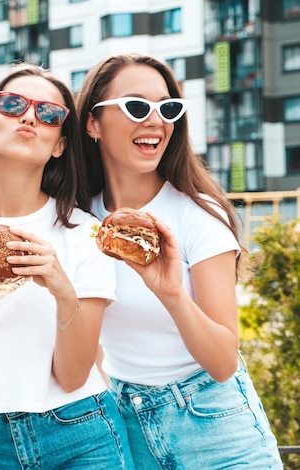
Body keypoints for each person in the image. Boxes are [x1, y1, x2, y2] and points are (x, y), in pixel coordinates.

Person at [77, 52, 283, 469]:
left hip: (216, 427)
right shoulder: (79, 220)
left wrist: (171, 293)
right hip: (127, 423)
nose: (155, 121)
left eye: (167, 108)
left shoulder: (197, 215)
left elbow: (224, 362)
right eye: (137, 106)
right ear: (92, 123)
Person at [0, 63, 134, 469]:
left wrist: (62, 290)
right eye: (14, 103)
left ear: (59, 144)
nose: (29, 116)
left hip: (83, 435)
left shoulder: (84, 234)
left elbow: (73, 376)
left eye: (49, 113)